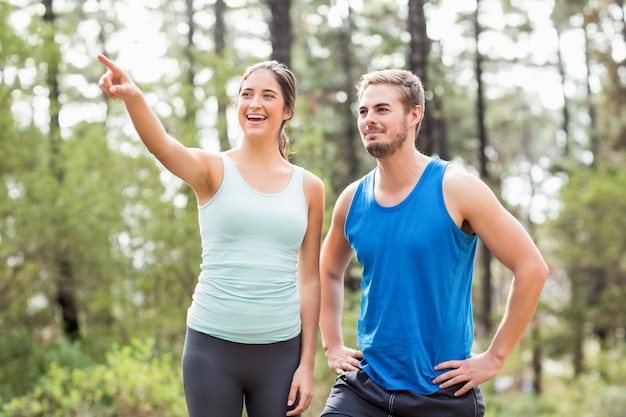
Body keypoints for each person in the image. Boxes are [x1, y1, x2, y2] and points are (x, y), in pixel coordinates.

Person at [97, 54, 325, 417]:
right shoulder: (212, 170)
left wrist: (307, 364)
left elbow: (310, 279)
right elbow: (162, 145)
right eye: (246, 94)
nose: (254, 103)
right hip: (211, 349)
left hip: (281, 353)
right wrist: (135, 98)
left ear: (287, 110)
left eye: (268, 95)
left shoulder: (310, 187)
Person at [318, 69, 549, 417]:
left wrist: (495, 357)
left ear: (414, 115)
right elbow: (328, 271)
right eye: (363, 111)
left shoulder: (457, 188)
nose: (369, 120)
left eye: (382, 109)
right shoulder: (352, 200)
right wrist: (332, 344)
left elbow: (532, 267)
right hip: (366, 389)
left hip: (442, 394)